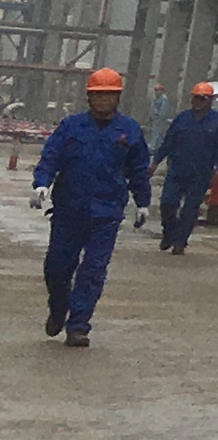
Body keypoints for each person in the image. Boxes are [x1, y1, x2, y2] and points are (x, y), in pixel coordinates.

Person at [30, 70, 145, 349]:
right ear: (89, 97)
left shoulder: (129, 130)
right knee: (57, 268)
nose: (103, 100)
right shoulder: (71, 126)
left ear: (117, 97)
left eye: (109, 95)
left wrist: (143, 202)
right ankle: (59, 308)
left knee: (93, 269)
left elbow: (139, 169)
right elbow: (51, 156)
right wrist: (42, 183)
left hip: (106, 212)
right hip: (69, 210)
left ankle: (78, 326)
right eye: (98, 95)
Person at [155, 83, 218, 255]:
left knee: (190, 209)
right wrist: (155, 162)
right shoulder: (182, 118)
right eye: (195, 97)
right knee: (167, 203)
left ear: (210, 100)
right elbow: (168, 142)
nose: (198, 101)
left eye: (202, 98)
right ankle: (169, 233)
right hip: (177, 169)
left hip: (200, 173)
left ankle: (180, 242)